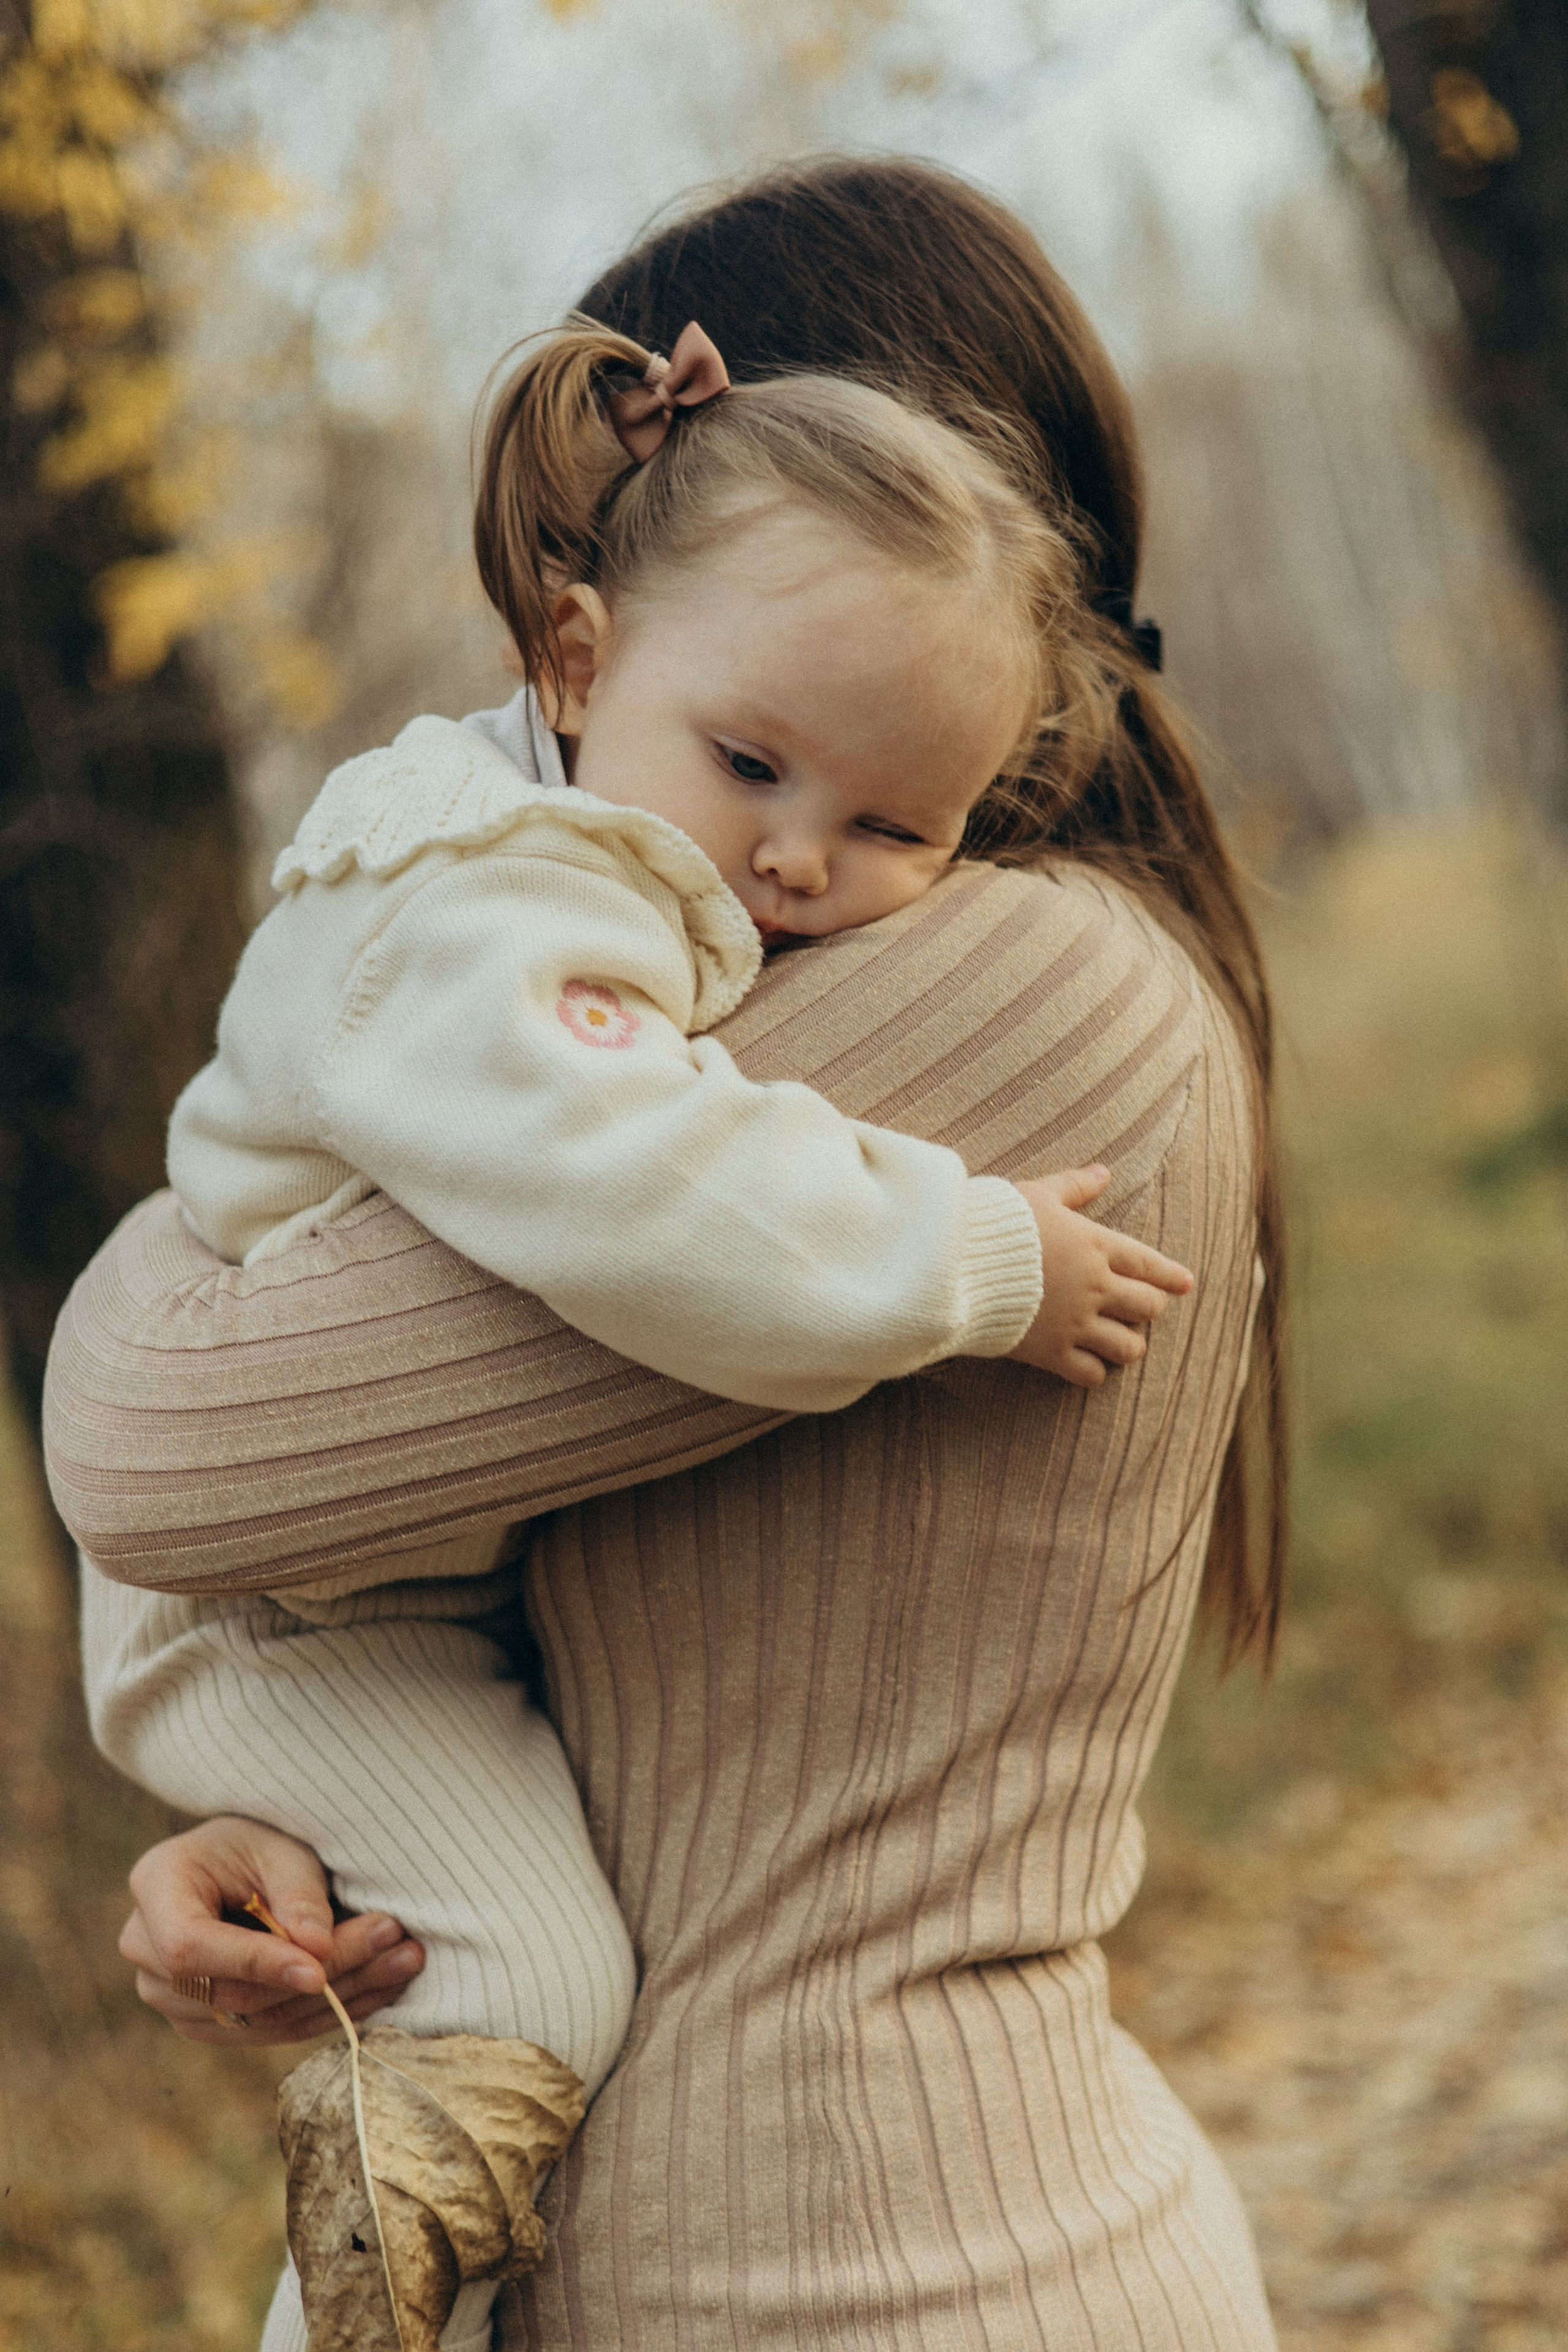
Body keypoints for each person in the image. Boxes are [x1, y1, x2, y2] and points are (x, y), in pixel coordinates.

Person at [48, 157, 1286, 2350]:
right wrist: (304, 1819)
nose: (793, 856)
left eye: (878, 804)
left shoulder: (1002, 998)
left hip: (875, 2277)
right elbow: (554, 1617)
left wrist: (190, 1237)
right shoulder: (726, 969)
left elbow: (155, 1440)